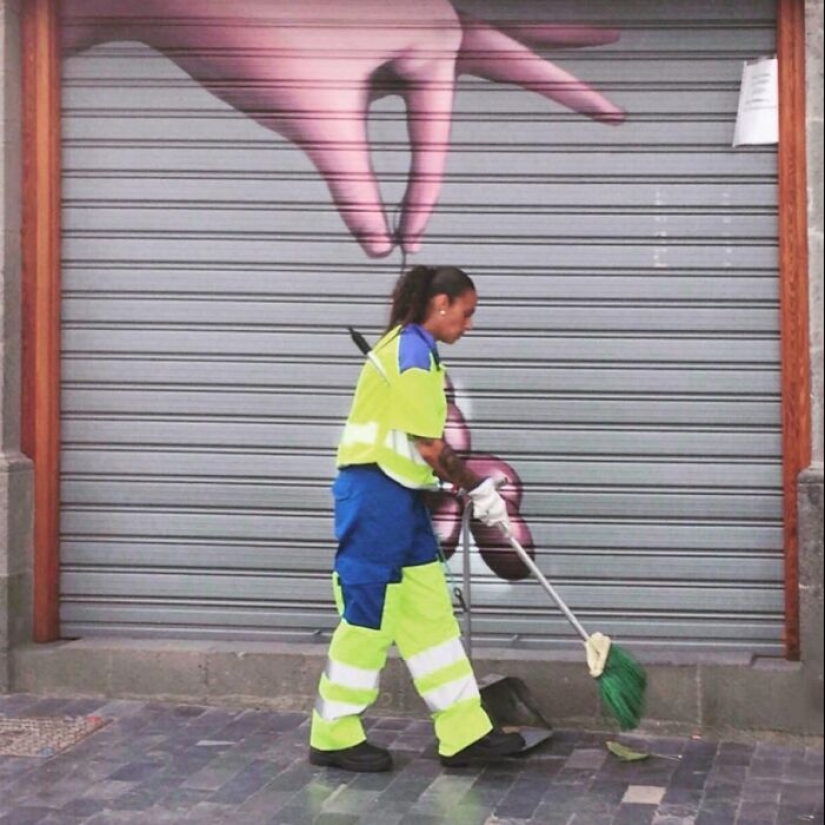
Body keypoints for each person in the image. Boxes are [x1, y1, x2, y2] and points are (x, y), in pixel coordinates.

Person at [309, 265, 524, 772]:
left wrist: (466, 486)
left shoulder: (417, 353)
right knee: (367, 614)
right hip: (374, 498)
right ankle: (334, 733)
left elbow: (419, 447)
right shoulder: (409, 353)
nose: (469, 324)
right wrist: (480, 490)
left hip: (400, 499)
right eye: (466, 313)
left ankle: (464, 732)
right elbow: (430, 446)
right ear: (442, 303)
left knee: (430, 612)